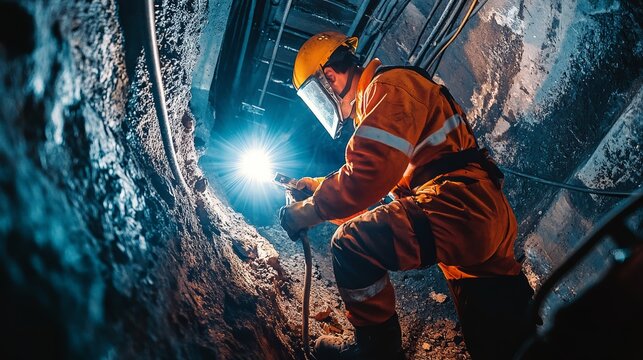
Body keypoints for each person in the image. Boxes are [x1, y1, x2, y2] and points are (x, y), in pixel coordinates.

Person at [279, 31, 534, 360]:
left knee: (352, 245)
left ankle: (377, 352)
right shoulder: (386, 98)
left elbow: (367, 177)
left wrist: (310, 211)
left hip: (457, 208)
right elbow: (374, 184)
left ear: (330, 76)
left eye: (316, 95)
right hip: (476, 211)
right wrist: (315, 189)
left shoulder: (387, 88)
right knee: (501, 340)